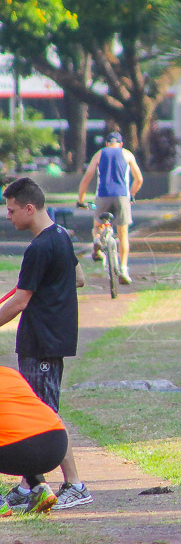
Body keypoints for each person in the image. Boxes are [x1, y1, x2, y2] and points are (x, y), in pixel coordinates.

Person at [0, 178, 91, 512]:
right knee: (37, 413)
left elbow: (20, 302)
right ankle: (30, 486)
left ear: (29, 208)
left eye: (11, 210)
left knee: (44, 416)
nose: (7, 216)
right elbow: (79, 278)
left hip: (42, 342)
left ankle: (76, 484)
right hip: (50, 339)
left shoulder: (39, 248)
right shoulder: (61, 238)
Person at [0, 367, 69, 516]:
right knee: (18, 428)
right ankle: (39, 488)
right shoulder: (11, 373)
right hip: (56, 443)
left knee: (14, 434)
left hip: (19, 449)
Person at [77, 131, 144, 284]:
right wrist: (131, 194)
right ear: (120, 144)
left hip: (103, 195)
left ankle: (97, 242)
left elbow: (87, 177)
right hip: (122, 197)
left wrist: (80, 200)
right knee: (123, 234)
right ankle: (124, 268)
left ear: (107, 144)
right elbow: (139, 179)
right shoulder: (127, 154)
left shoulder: (100, 154)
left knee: (97, 225)